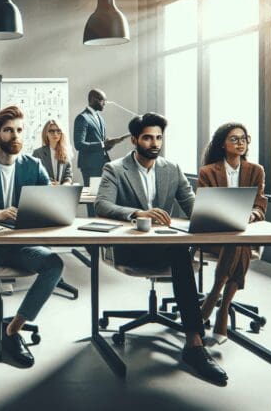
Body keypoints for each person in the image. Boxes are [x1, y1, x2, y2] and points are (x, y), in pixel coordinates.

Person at [95, 113, 229, 385]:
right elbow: (102, 205)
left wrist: (216, 215)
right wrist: (138, 213)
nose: (154, 143)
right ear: (134, 140)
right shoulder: (116, 169)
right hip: (130, 247)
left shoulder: (172, 169)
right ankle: (195, 339)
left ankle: (194, 344)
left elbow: (192, 205)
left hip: (166, 247)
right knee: (179, 252)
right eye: (147, 137)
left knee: (180, 251)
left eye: (158, 137)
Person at [0, 105, 64, 395]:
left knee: (54, 264)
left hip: (21, 244)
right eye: (9, 130)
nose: (16, 135)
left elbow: (51, 203)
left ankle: (14, 328)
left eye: (19, 130)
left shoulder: (33, 166)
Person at [198, 123, 267, 344]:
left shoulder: (255, 170)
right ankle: (222, 307)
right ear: (222, 144)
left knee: (239, 242)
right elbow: (206, 207)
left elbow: (260, 205)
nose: (241, 143)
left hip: (242, 233)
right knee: (238, 243)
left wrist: (251, 215)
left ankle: (218, 301)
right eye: (234, 139)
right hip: (214, 235)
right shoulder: (208, 172)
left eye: (244, 138)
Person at [73, 89, 126, 215]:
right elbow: (79, 145)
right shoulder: (82, 118)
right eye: (103, 100)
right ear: (93, 99)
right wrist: (102, 144)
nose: (105, 103)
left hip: (103, 164)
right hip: (90, 167)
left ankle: (102, 224)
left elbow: (100, 144)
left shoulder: (99, 117)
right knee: (93, 199)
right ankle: (93, 225)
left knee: (103, 198)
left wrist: (108, 145)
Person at [32, 119, 73, 185]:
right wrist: (49, 183)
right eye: (51, 131)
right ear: (46, 133)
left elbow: (68, 175)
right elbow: (35, 174)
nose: (55, 134)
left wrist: (66, 184)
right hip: (45, 190)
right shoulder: (37, 153)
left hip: (62, 191)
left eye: (58, 131)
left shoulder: (66, 152)